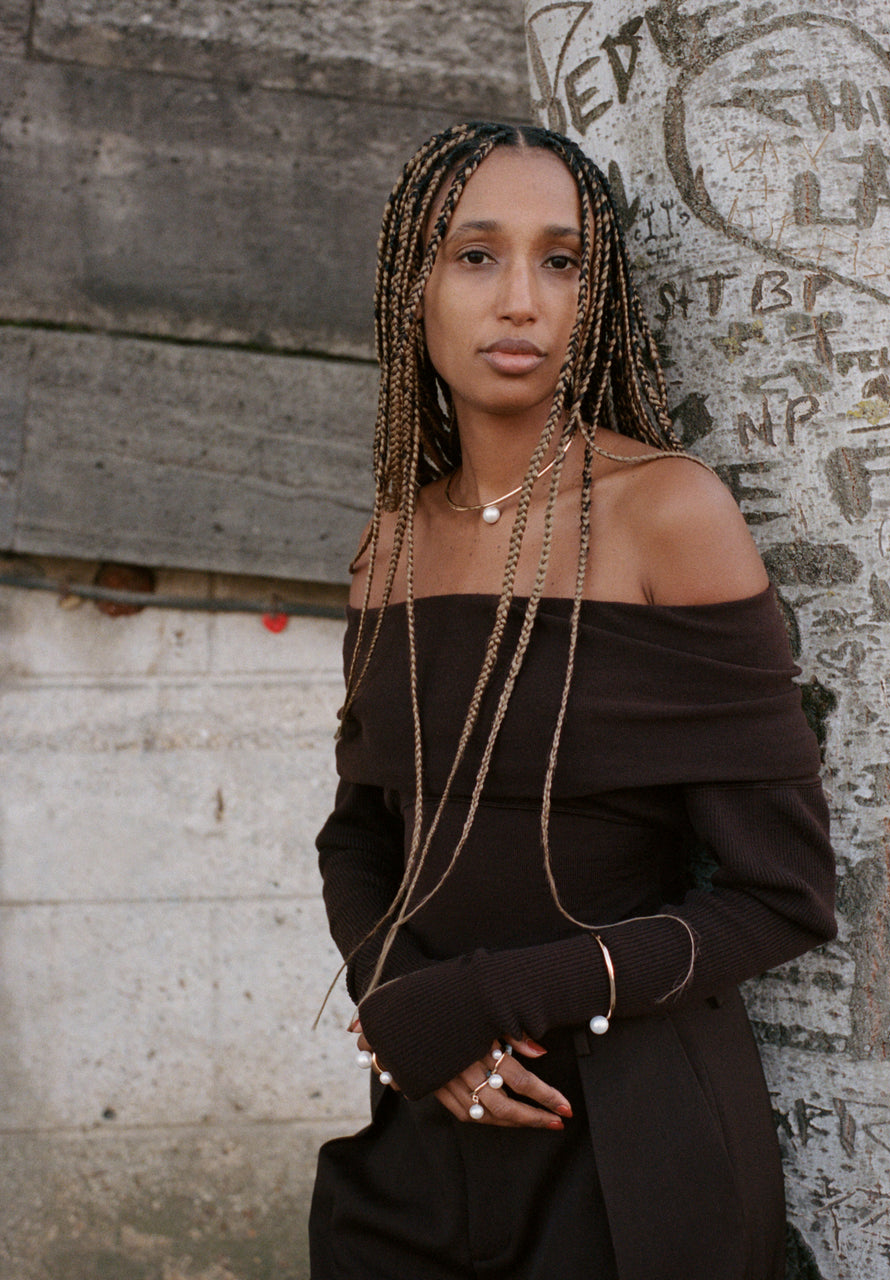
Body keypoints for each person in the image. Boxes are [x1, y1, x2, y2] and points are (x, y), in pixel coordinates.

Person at [309, 121, 836, 1280]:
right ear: (413, 287)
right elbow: (358, 834)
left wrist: (486, 998)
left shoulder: (667, 514)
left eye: (562, 261)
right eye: (475, 254)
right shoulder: (389, 544)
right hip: (419, 1129)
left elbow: (783, 893)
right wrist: (402, 1003)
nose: (522, 301)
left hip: (634, 1154)